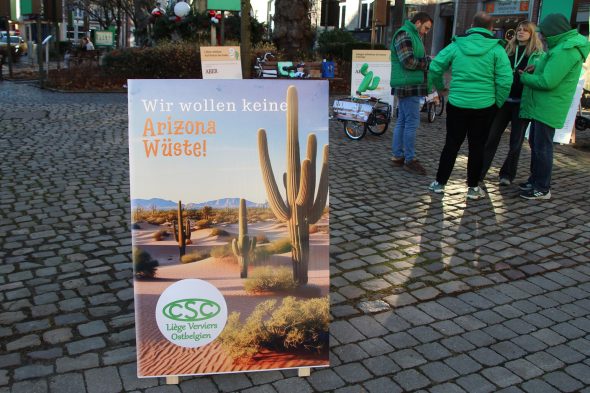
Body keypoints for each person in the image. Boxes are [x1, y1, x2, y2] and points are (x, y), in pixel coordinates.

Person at [427, 11, 512, 200]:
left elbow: (434, 67)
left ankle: (440, 183)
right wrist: (497, 102)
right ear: (491, 28)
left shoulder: (456, 45)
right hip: (485, 105)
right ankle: (473, 188)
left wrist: (441, 88)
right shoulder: (497, 49)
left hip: (457, 103)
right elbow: (506, 80)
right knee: (477, 147)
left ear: (472, 26)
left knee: (451, 144)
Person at [518, 13, 590, 200]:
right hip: (544, 105)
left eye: (545, 33)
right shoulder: (561, 46)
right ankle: (535, 181)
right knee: (536, 144)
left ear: (554, 32)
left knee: (542, 147)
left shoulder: (566, 50)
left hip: (549, 106)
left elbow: (548, 81)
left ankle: (542, 187)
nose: (542, 36)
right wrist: (536, 67)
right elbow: (549, 64)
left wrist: (525, 78)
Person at [480, 21, 544, 186]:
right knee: (490, 137)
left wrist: (533, 71)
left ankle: (507, 174)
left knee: (515, 142)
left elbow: (540, 75)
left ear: (532, 34)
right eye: (518, 30)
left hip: (522, 103)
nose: (521, 32)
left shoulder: (537, 54)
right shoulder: (507, 50)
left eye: (525, 30)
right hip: (503, 101)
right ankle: (479, 172)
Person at [389, 12, 433, 175]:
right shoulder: (405, 34)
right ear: (418, 22)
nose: (426, 32)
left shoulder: (411, 34)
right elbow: (408, 61)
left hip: (408, 84)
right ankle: (409, 159)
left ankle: (398, 156)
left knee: (403, 120)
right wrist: (428, 61)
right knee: (411, 122)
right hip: (409, 85)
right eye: (426, 28)